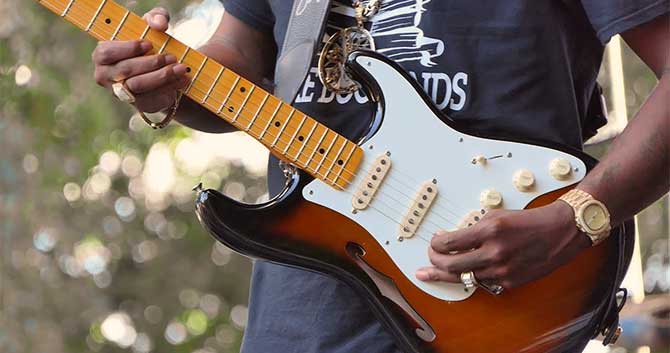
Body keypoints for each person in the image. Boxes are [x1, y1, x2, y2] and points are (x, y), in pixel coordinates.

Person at [91, 1, 669, 352]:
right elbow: (236, 58)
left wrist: (576, 217)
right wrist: (166, 79)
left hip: (497, 302)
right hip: (303, 314)